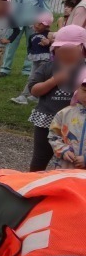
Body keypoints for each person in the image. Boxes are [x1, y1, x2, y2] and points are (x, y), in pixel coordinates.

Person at [26, 25, 86, 171]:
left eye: (70, 50)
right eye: (61, 49)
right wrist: (53, 81)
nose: (65, 53)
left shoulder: (84, 69)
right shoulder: (48, 67)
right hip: (46, 118)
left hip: (74, 123)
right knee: (40, 158)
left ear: (83, 49)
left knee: (73, 160)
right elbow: (33, 90)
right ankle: (32, 186)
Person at [1, 0, 54, 77]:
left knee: (32, 42)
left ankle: (27, 69)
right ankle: (5, 68)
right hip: (18, 14)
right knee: (11, 41)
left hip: (36, 16)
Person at [11, 12, 53, 105]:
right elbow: (29, 46)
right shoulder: (32, 36)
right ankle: (34, 95)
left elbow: (54, 43)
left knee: (36, 77)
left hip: (45, 61)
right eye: (37, 22)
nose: (37, 25)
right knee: (32, 77)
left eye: (41, 24)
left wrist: (49, 42)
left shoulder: (48, 34)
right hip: (35, 61)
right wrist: (30, 54)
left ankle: (24, 96)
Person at [48, 73, 86, 170]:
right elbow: (53, 136)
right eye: (85, 90)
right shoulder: (64, 113)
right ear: (77, 89)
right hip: (66, 167)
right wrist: (63, 150)